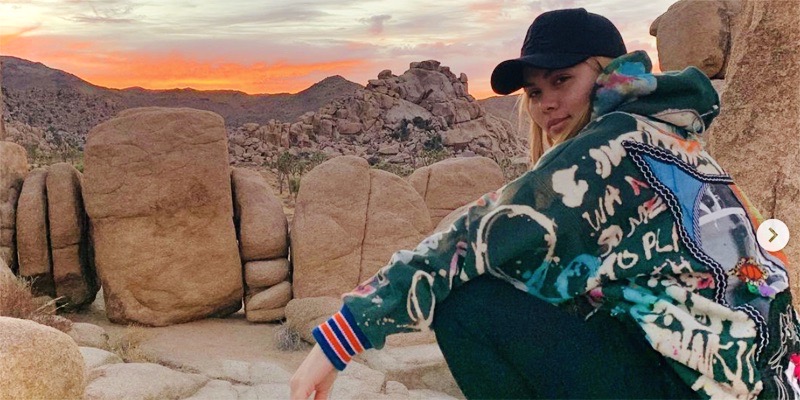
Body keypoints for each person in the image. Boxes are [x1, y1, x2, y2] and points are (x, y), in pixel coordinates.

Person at [291, 8, 800, 399]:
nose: (545, 104)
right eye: (535, 91)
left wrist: (342, 338)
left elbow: (473, 236)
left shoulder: (614, 140)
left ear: (610, 75)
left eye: (562, 80)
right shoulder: (672, 137)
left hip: (702, 384)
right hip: (756, 376)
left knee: (468, 302)